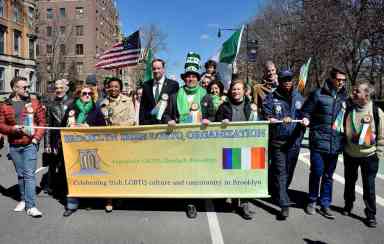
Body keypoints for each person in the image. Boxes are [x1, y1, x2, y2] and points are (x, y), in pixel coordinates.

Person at [165, 52, 214, 218]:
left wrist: (208, 119)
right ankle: (190, 202)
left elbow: (213, 115)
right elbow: (166, 115)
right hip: (181, 141)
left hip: (201, 141)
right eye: (187, 77)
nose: (190, 79)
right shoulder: (174, 96)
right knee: (185, 171)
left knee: (198, 170)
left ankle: (198, 197)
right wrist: (169, 120)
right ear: (183, 79)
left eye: (193, 76)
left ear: (197, 78)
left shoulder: (206, 96)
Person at [301, 67, 348, 219]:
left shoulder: (345, 97)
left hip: (335, 144)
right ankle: (312, 200)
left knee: (329, 176)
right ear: (332, 78)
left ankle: (325, 204)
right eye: (339, 79)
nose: (341, 82)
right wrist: (306, 117)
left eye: (343, 80)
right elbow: (305, 110)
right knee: (317, 172)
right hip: (318, 142)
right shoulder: (318, 94)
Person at [0, 76, 46, 217]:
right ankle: (23, 199)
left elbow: (42, 123)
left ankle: (31, 206)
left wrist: (36, 139)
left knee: (29, 175)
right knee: (20, 174)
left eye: (28, 87)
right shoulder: (4, 105)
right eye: (24, 87)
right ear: (15, 88)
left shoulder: (34, 102)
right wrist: (13, 129)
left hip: (29, 144)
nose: (27, 89)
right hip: (14, 145)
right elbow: (1, 125)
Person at [262, 70, 305, 219]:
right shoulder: (271, 97)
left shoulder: (299, 97)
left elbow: (306, 113)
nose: (287, 82)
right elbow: (266, 115)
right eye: (284, 80)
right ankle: (284, 204)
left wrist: (306, 119)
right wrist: (271, 119)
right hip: (278, 142)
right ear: (279, 81)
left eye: (289, 79)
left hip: (294, 142)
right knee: (280, 171)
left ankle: (279, 191)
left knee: (289, 171)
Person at [342, 81, 384, 228]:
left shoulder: (377, 112)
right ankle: (348, 205)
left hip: (369, 157)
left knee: (369, 187)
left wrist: (378, 154)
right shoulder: (349, 109)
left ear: (366, 95)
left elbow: (382, 136)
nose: (353, 93)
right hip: (350, 154)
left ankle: (371, 214)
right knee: (349, 183)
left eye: (357, 91)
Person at [62, 85, 107, 217]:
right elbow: (63, 125)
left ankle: (89, 201)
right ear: (79, 95)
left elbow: (103, 128)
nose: (87, 95)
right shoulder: (72, 108)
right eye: (84, 93)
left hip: (90, 147)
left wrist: (89, 127)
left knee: (89, 175)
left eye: (89, 93)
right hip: (73, 148)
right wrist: (71, 125)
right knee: (73, 175)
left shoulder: (96, 109)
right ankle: (72, 204)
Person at [215, 79, 255, 220]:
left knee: (245, 176)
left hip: (247, 146)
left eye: (239, 89)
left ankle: (244, 204)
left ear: (244, 91)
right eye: (234, 89)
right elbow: (216, 125)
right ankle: (229, 200)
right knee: (230, 174)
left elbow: (258, 124)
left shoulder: (251, 107)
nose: (236, 92)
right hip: (229, 146)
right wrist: (221, 123)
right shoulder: (223, 107)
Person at [99, 77, 136, 212]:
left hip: (123, 139)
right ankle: (109, 199)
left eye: (116, 86)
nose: (113, 89)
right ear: (108, 88)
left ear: (120, 88)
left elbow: (132, 120)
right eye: (111, 86)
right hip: (108, 141)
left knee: (121, 169)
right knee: (108, 170)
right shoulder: (102, 104)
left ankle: (120, 195)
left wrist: (118, 126)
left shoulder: (127, 101)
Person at [43, 79, 74, 197]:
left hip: (70, 139)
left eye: (61, 88)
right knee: (54, 164)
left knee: (68, 164)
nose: (59, 90)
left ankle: (68, 187)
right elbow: (47, 125)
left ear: (66, 88)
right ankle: (53, 186)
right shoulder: (51, 104)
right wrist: (47, 144)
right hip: (56, 139)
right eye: (56, 88)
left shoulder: (73, 102)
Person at [139, 59, 179, 125]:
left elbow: (176, 106)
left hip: (168, 125)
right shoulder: (146, 85)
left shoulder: (173, 85)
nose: (156, 71)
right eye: (154, 69)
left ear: (163, 69)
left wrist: (175, 121)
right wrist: (141, 124)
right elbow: (143, 107)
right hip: (150, 125)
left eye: (158, 68)